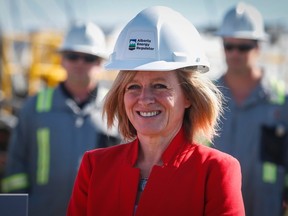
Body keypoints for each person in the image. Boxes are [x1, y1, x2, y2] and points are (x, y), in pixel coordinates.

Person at [67, 6, 245, 216]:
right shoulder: (94, 167)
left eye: (160, 85)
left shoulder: (215, 170)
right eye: (133, 86)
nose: (145, 99)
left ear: (188, 96)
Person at [1, 21, 121, 216]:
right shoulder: (34, 108)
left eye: (88, 58)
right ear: (62, 59)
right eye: (73, 56)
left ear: (100, 62)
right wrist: (18, 207)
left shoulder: (117, 108)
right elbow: (16, 163)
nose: (80, 63)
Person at [213, 2, 288, 216]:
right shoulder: (206, 99)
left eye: (243, 47)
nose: (235, 53)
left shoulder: (281, 102)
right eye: (229, 46)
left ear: (258, 47)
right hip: (216, 207)